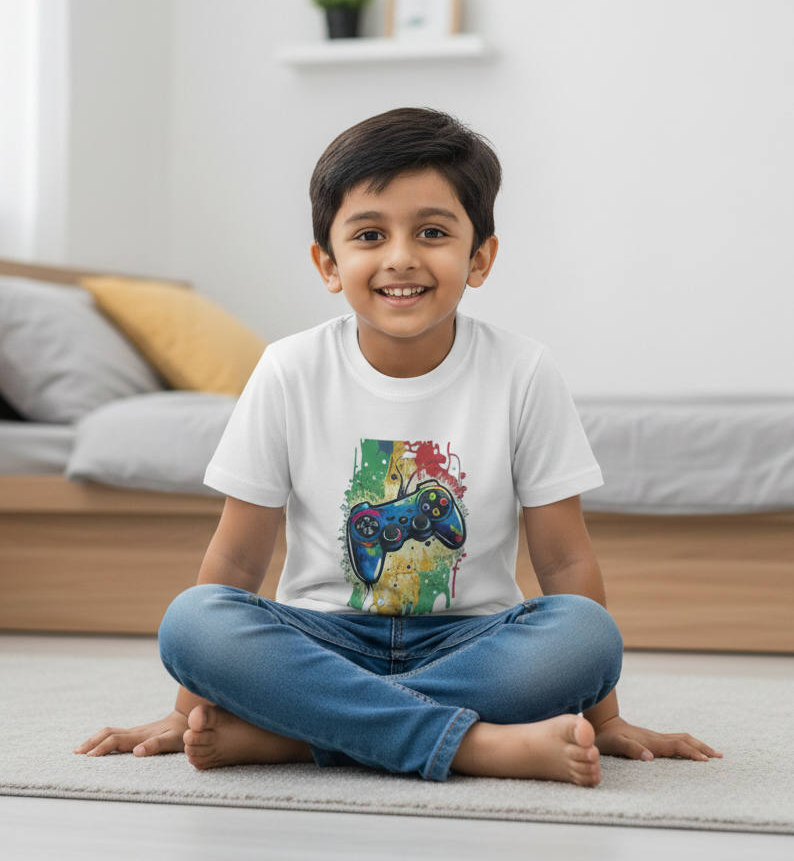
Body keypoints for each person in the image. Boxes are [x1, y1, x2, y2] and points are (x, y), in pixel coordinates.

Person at [74, 108, 721, 784]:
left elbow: (563, 561)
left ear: (480, 258)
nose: (401, 257)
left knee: (585, 636)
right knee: (193, 622)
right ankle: (476, 745)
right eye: (370, 234)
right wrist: (185, 712)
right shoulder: (289, 369)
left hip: (471, 640)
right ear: (329, 263)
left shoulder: (523, 371)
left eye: (433, 232)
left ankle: (302, 736)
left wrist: (606, 715)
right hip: (322, 641)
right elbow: (237, 557)